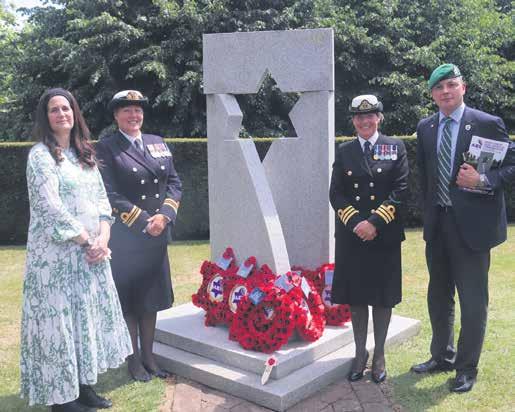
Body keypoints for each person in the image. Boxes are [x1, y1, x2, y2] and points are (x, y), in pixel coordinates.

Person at [20, 88, 132, 412]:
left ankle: (83, 387)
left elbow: (102, 200)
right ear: (46, 117)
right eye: (54, 110)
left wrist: (103, 238)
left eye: (66, 108)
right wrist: (87, 240)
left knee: (84, 321)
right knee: (60, 326)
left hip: (89, 257)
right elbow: (50, 208)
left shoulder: (84, 154)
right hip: (55, 260)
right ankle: (62, 397)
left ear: (74, 113)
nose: (61, 114)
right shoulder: (41, 156)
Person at [412, 63, 515, 393]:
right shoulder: (426, 127)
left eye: (451, 85)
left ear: (463, 88)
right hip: (438, 225)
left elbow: (511, 165)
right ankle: (442, 356)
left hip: (472, 229)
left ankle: (466, 368)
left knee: (472, 301)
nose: (445, 91)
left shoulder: (486, 123)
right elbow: (426, 176)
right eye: (439, 87)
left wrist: (483, 179)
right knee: (438, 296)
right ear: (432, 94)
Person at [95, 90, 182, 382]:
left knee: (151, 299)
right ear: (116, 116)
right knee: (130, 302)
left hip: (157, 236)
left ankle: (149, 356)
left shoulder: (157, 142)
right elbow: (108, 193)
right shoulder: (106, 148)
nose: (134, 116)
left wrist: (164, 216)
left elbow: (174, 182)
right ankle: (133, 360)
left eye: (138, 110)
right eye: (127, 111)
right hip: (128, 238)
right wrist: (145, 221)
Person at [330, 95, 408, 383]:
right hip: (352, 237)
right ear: (353, 121)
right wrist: (356, 223)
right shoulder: (344, 150)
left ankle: (379, 354)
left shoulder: (395, 147)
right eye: (359, 117)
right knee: (357, 296)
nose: (365, 121)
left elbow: (401, 190)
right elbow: (336, 193)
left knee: (383, 297)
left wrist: (374, 223)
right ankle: (360, 352)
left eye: (370, 116)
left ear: (379, 118)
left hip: (384, 236)